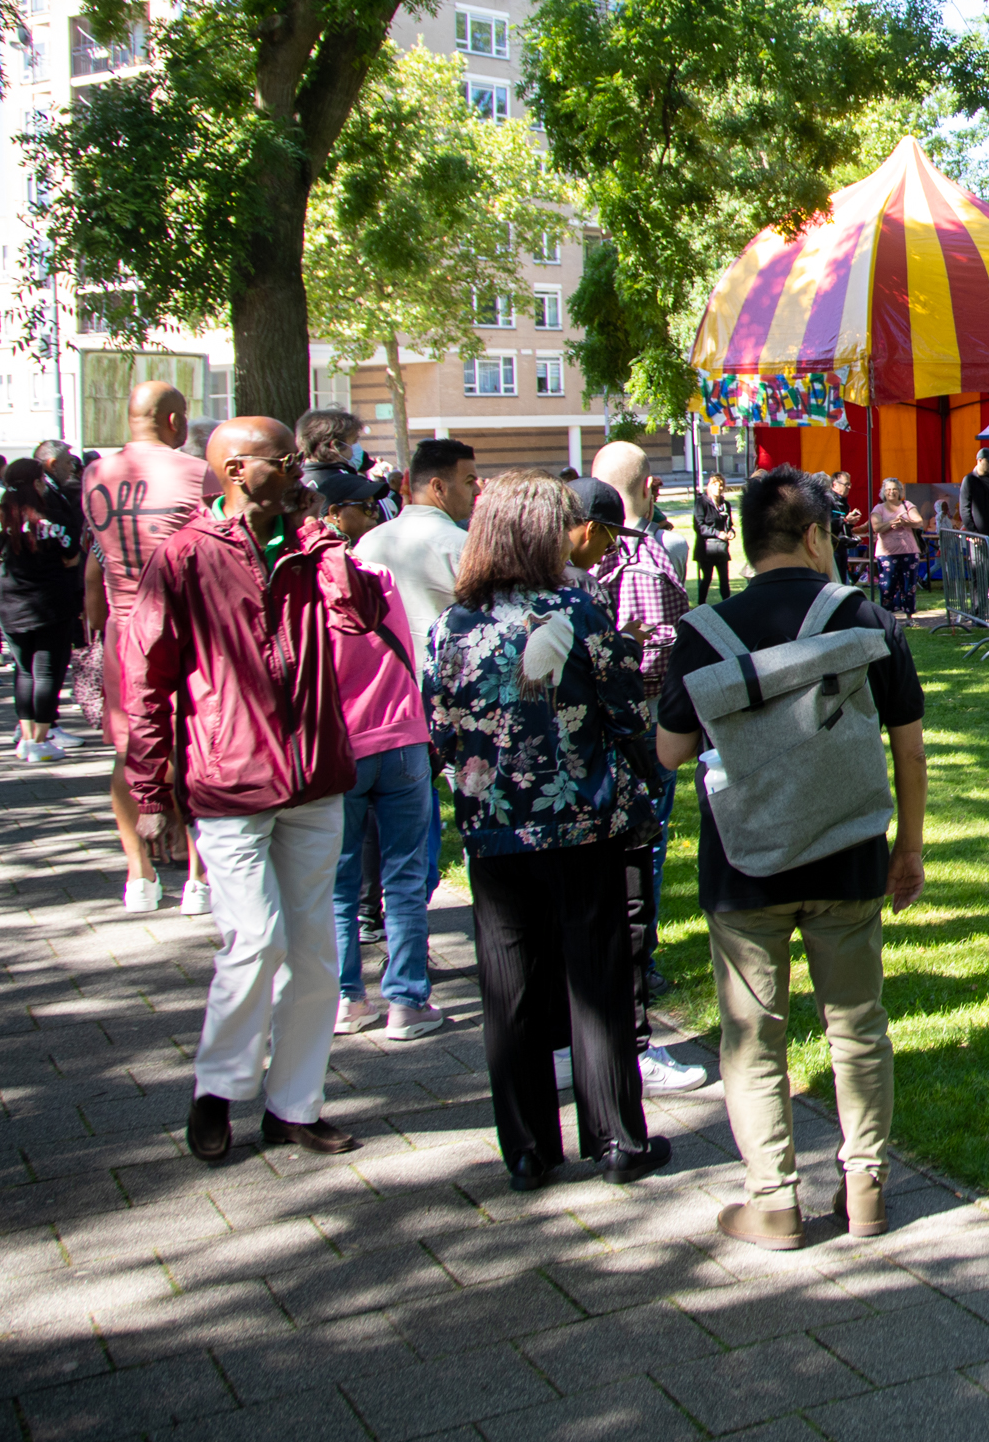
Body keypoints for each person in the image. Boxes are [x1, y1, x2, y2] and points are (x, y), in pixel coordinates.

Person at [654, 464, 931, 1248]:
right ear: (816, 536)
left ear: (743, 543)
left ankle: (773, 1201)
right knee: (858, 1026)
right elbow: (908, 750)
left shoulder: (703, 633)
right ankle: (867, 1188)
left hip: (747, 865)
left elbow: (670, 750)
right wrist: (907, 850)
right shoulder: (868, 618)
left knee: (753, 1036)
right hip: (848, 851)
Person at [127, 416, 383, 1165]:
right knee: (255, 942)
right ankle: (217, 1088)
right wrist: (151, 789)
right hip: (230, 777)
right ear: (239, 470)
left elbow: (361, 616)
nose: (301, 468)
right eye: (286, 458)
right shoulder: (185, 556)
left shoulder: (311, 548)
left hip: (313, 776)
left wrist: (327, 544)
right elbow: (147, 677)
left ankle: (294, 1105)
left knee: (315, 953)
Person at [422, 472, 669, 1193]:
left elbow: (437, 728)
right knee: (596, 978)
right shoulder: (578, 610)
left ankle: (528, 1149)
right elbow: (627, 714)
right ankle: (617, 1137)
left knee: (510, 987)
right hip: (579, 821)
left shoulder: (451, 626)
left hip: (494, 830)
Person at [564, 476, 704, 1098]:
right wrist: (630, 652)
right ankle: (629, 1049)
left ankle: (580, 1051)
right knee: (622, 901)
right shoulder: (576, 596)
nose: (607, 550)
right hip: (600, 777)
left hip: (531, 803)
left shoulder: (491, 597)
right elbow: (617, 689)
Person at [315, 477, 449, 1042]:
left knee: (342, 881)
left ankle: (347, 998)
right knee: (404, 874)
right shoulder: (381, 581)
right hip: (400, 736)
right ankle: (406, 1000)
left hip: (341, 747)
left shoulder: (303, 597)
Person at [84, 385, 222, 913]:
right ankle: (199, 877)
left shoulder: (96, 474)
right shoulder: (195, 474)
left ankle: (139, 877)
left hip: (124, 630)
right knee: (195, 748)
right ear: (173, 420)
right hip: (187, 629)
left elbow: (99, 556)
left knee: (128, 748)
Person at [0, 458, 85, 764]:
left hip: (9, 602)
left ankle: (27, 737)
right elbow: (71, 558)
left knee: (24, 670)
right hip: (49, 602)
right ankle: (41, 740)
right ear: (39, 482)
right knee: (47, 673)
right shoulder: (53, 517)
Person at [368, 438, 479, 653]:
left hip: (389, 681)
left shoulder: (368, 542)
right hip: (444, 678)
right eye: (468, 481)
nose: (476, 490)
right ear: (439, 487)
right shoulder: (463, 547)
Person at [870, 478, 927, 616]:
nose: (891, 492)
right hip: (886, 553)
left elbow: (919, 522)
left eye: (895, 489)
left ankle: (909, 615)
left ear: (900, 491)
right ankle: (887, 615)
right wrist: (892, 522)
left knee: (909, 586)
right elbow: (876, 527)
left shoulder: (907, 505)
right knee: (887, 585)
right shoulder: (879, 508)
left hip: (909, 551)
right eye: (888, 489)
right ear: (884, 492)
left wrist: (905, 523)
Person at [693, 473, 734, 602]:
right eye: (715, 484)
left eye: (721, 485)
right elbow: (699, 526)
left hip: (721, 549)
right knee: (707, 579)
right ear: (709, 486)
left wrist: (731, 532)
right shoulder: (701, 502)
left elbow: (729, 525)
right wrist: (717, 533)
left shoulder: (725, 505)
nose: (718, 487)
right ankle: (701, 605)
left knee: (724, 579)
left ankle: (727, 606)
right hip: (706, 549)